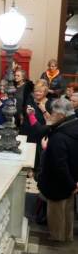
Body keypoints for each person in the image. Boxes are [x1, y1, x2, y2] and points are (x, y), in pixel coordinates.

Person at [37, 98, 78, 242]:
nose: (51, 115)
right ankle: (67, 236)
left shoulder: (59, 137)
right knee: (67, 211)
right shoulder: (74, 124)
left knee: (56, 213)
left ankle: (57, 239)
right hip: (72, 180)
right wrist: (74, 184)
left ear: (61, 116)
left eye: (53, 113)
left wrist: (46, 149)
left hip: (58, 183)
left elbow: (59, 165)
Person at [23, 80, 52, 172]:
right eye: (36, 91)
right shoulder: (30, 99)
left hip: (41, 130)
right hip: (28, 128)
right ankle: (29, 168)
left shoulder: (49, 103)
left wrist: (43, 110)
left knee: (38, 150)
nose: (37, 93)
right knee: (28, 148)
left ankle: (38, 169)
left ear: (45, 92)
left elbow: (51, 120)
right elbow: (26, 112)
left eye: (40, 91)